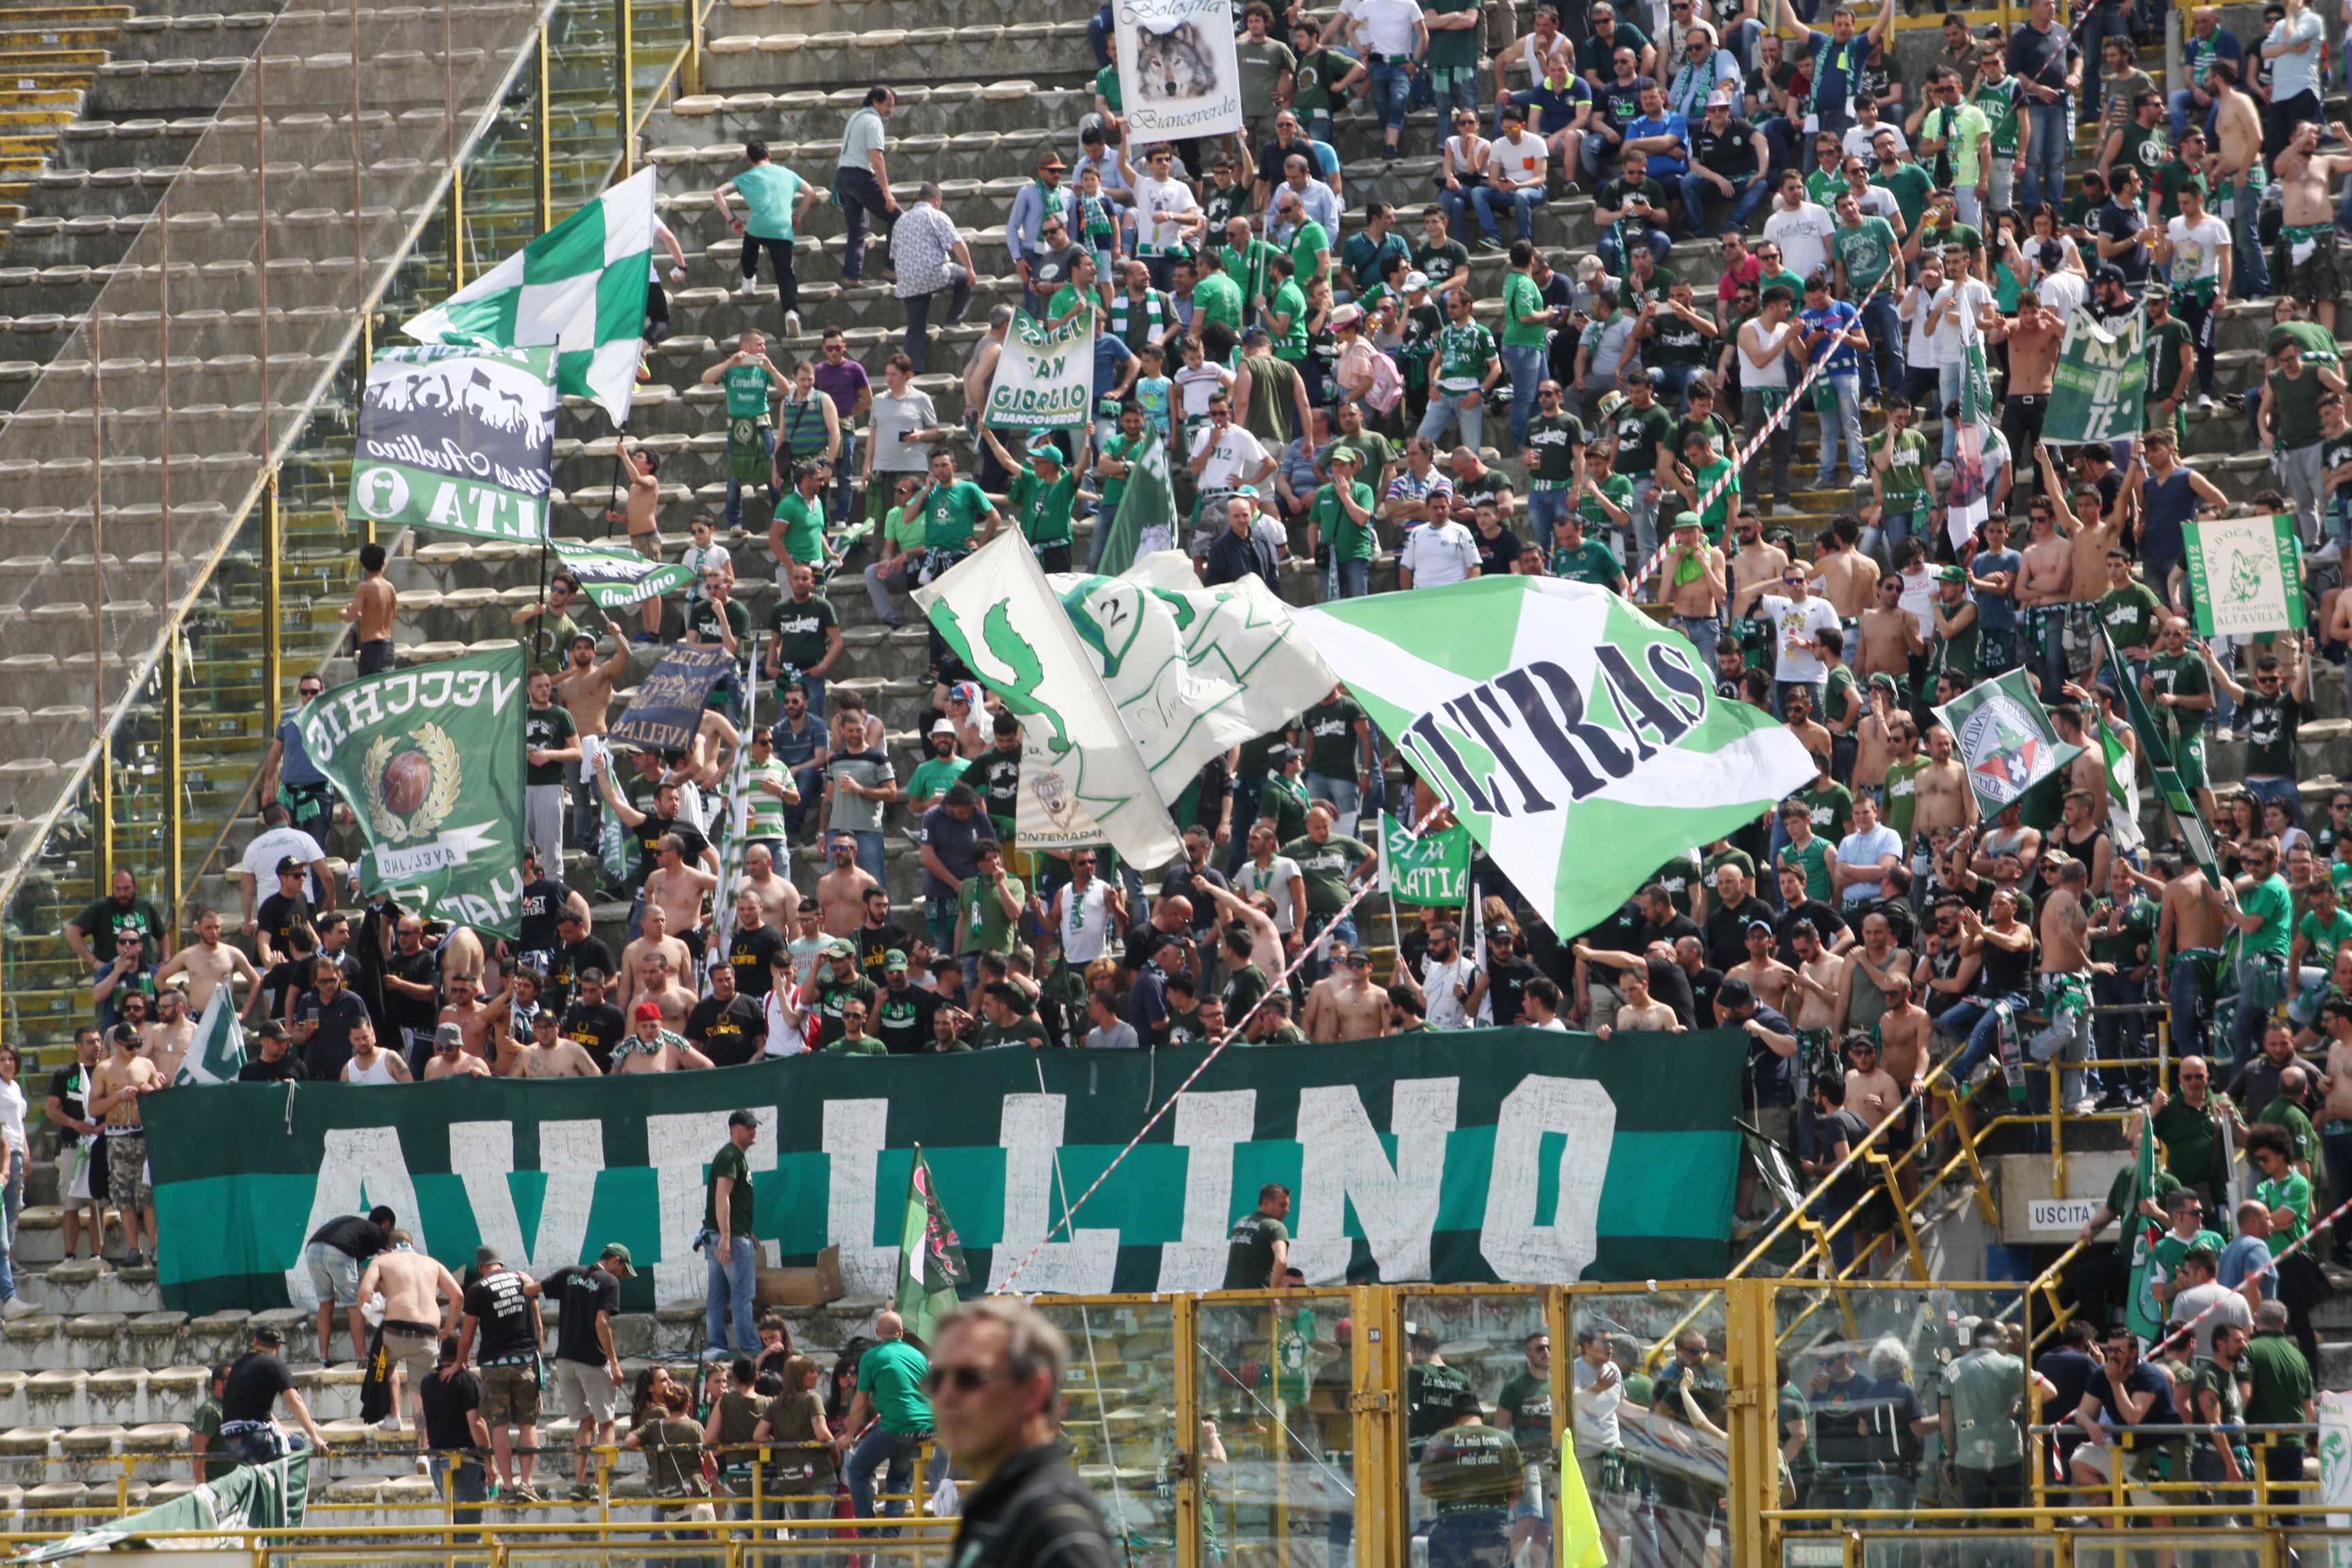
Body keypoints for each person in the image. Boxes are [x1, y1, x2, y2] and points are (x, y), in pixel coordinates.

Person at [930, 1299, 1116, 1568]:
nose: (946, 1397)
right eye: (936, 1381)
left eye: (969, 1378)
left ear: (1033, 1391)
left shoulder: (1053, 1522)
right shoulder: (999, 1505)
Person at [544, 1243, 634, 1499]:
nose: (621, 1277)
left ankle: (581, 1483)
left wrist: (521, 1279)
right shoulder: (609, 1282)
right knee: (607, 1424)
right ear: (616, 1261)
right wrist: (614, 1364)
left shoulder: (570, 1273)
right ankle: (601, 1484)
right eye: (623, 1271)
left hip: (564, 1359)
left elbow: (532, 1290)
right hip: (592, 1361)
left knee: (586, 1422)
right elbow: (601, 1323)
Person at [841, 1309, 934, 1535]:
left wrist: (849, 1435)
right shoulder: (918, 1356)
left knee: (857, 1470)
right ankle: (891, 1535)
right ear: (901, 1332)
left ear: (877, 1333)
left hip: (896, 1426)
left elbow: (860, 1401)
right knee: (900, 1478)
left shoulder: (871, 1357)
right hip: (925, 1427)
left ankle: (868, 1533)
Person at [217, 1325, 331, 1464]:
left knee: (290, 1442)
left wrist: (277, 1424)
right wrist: (314, 1436)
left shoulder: (238, 1364)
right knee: (300, 1444)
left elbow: (248, 1402)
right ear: (278, 1346)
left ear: (255, 1341)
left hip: (229, 1437)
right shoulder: (275, 1365)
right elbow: (294, 1399)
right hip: (254, 1437)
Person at [705, 1109, 762, 1359]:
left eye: (755, 1126)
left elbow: (733, 1201)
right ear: (735, 1130)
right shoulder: (731, 1157)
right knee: (742, 1294)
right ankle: (749, 1347)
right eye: (749, 1127)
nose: (753, 1131)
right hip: (729, 1238)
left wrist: (745, 1231)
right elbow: (723, 1196)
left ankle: (716, 1345)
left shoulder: (733, 1157)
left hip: (723, 1235)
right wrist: (728, 1236)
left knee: (718, 1294)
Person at [419, 1335, 490, 1531]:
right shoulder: (467, 1380)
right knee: (469, 1530)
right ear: (464, 1354)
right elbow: (476, 1423)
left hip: (437, 1462)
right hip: (465, 1463)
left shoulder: (427, 1381)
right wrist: (490, 1462)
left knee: (454, 1526)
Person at [1223, 1182, 1292, 1288]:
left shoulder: (1240, 1224)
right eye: (1282, 1205)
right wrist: (1274, 1294)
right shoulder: (1276, 1227)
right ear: (1266, 1203)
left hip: (1229, 1295)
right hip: (1257, 1295)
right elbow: (1281, 1261)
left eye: (1288, 1206)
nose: (1287, 1210)